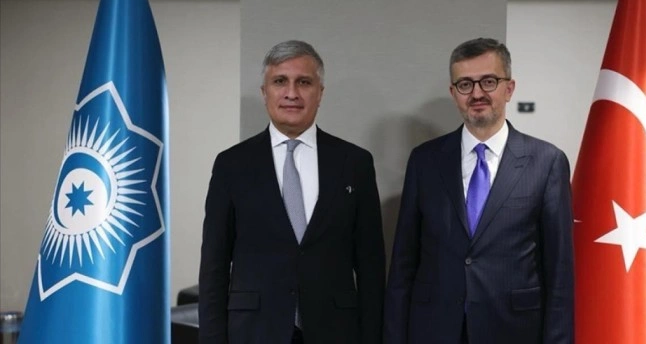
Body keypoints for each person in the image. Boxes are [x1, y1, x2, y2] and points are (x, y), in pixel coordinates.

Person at [384, 38, 574, 343]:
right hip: (434, 330)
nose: (476, 94)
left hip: (514, 331)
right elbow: (403, 264)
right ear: (453, 93)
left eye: (488, 81)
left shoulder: (547, 162)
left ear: (509, 88)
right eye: (465, 84)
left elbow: (559, 273)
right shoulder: (425, 161)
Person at [199, 40, 386, 344]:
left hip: (336, 332)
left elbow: (371, 266)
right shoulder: (231, 165)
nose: (292, 93)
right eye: (280, 81)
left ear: (320, 93)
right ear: (265, 92)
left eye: (304, 82)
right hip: (254, 332)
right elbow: (214, 267)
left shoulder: (355, 163)